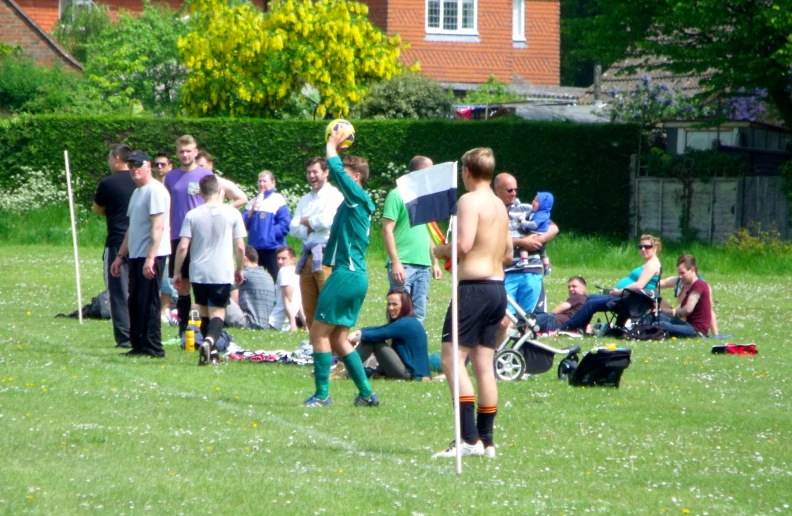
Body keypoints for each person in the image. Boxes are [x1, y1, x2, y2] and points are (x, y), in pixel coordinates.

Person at [431, 147, 512, 460]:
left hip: (474, 289)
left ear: (467, 171)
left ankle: (467, 438)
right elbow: (507, 253)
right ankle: (487, 441)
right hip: (497, 288)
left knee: (451, 358)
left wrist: (441, 251)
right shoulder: (499, 205)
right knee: (483, 363)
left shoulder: (468, 201)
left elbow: (462, 245)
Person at [303, 133, 379, 408]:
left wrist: (331, 145)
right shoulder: (356, 203)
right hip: (355, 275)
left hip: (346, 275)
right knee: (337, 337)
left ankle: (322, 395)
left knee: (318, 333)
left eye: (346, 175)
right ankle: (367, 394)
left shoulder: (357, 196)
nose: (341, 179)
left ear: (356, 177)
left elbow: (334, 168)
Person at [165, 136, 246, 340]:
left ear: (195, 151)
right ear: (177, 153)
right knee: (182, 285)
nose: (185, 154)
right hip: (178, 234)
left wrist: (225, 210)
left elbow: (237, 196)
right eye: (181, 151)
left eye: (189, 151)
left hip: (201, 236)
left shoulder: (205, 174)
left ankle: (207, 332)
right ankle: (183, 330)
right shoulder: (171, 177)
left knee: (204, 281)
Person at [173, 175, 247, 365]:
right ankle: (209, 341)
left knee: (204, 312)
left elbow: (182, 247)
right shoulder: (232, 213)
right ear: (220, 190)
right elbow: (240, 247)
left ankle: (212, 354)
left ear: (200, 193)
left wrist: (177, 272)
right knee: (218, 314)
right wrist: (240, 268)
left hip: (198, 271)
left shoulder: (192, 214)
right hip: (220, 271)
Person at [110, 150, 171, 358]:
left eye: (138, 165)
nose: (134, 169)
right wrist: (120, 256)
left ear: (148, 166)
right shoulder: (138, 192)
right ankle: (138, 345)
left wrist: (151, 258)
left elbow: (158, 227)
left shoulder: (156, 191)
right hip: (136, 255)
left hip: (151, 255)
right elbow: (132, 228)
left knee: (149, 301)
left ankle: (153, 347)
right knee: (135, 301)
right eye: (131, 165)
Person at [493, 173, 559, 344]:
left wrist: (538, 240)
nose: (514, 193)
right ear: (497, 190)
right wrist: (521, 242)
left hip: (531, 270)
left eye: (516, 189)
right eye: (509, 190)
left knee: (527, 321)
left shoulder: (525, 209)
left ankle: (521, 358)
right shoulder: (490, 211)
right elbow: (492, 240)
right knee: (502, 320)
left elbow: (553, 228)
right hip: (506, 271)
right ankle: (496, 356)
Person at [382, 155, 443, 323]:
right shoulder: (396, 195)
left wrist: (435, 262)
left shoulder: (426, 199)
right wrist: (395, 262)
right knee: (401, 313)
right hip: (404, 264)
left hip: (423, 266)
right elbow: (387, 230)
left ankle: (414, 349)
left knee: (419, 315)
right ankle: (395, 349)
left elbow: (428, 232)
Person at [559, 234, 663, 332]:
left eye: (647, 247)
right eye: (641, 246)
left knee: (591, 304)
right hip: (627, 298)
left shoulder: (652, 265)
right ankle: (580, 328)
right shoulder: (649, 263)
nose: (643, 249)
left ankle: (565, 328)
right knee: (590, 298)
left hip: (631, 302)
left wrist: (618, 292)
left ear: (655, 248)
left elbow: (639, 285)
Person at [289, 157, 345, 330]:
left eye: (315, 172)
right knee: (309, 307)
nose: (312, 176)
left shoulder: (334, 195)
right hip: (307, 256)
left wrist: (307, 221)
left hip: (326, 256)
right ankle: (316, 349)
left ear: (326, 173)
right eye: (309, 172)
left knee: (329, 304)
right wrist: (310, 227)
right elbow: (292, 227)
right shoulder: (305, 199)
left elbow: (328, 220)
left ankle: (336, 351)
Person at [93, 144, 135, 349]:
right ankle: (142, 332)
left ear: (117, 159)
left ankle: (125, 337)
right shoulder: (141, 181)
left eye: (110, 158)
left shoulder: (107, 183)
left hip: (118, 241)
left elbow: (98, 209)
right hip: (141, 242)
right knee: (140, 289)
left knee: (118, 291)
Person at [347, 288, 431, 381]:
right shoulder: (407, 321)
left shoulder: (406, 323)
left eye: (395, 304)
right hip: (408, 372)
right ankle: (350, 369)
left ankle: (346, 369)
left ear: (405, 305)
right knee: (371, 339)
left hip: (412, 375)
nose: (390, 308)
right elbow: (382, 328)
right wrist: (360, 331)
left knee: (373, 340)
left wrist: (356, 338)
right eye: (389, 304)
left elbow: (380, 333)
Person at [243, 170, 291, 281]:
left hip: (272, 248)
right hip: (255, 249)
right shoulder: (253, 202)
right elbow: (243, 225)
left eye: (265, 181)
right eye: (260, 181)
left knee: (277, 279)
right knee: (254, 280)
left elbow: (285, 223)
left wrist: (270, 235)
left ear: (273, 183)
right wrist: (251, 211)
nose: (261, 184)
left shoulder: (277, 199)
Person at [657, 255, 714, 337]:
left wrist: (673, 313)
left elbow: (688, 310)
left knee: (662, 324)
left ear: (692, 269)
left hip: (696, 330)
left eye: (682, 273)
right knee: (658, 317)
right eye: (679, 273)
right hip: (688, 325)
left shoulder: (699, 285)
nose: (680, 276)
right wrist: (659, 311)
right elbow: (676, 311)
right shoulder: (692, 286)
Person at [152, 152, 177, 325]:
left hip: (171, 234)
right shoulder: (151, 187)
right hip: (155, 234)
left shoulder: (173, 187)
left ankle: (165, 309)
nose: (159, 167)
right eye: (157, 164)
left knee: (168, 275)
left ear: (170, 166)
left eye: (163, 164)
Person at [236, 245, 276, 330]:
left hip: (248, 322)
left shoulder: (244, 274)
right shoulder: (268, 276)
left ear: (244, 259)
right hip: (266, 324)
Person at [517, 192, 554, 274]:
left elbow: (534, 225)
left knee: (523, 247)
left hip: (535, 234)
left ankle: (524, 260)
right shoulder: (538, 211)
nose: (533, 202)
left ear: (543, 205)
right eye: (534, 199)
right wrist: (523, 215)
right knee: (543, 253)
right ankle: (547, 266)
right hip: (541, 237)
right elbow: (528, 212)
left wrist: (523, 222)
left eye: (536, 201)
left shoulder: (542, 215)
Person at [269, 246, 304, 332]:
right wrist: (305, 324)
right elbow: (294, 301)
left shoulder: (284, 271)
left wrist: (294, 324)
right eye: (278, 258)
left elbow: (290, 299)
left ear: (293, 260)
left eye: (284, 258)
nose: (280, 262)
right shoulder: (297, 273)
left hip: (276, 323)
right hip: (279, 324)